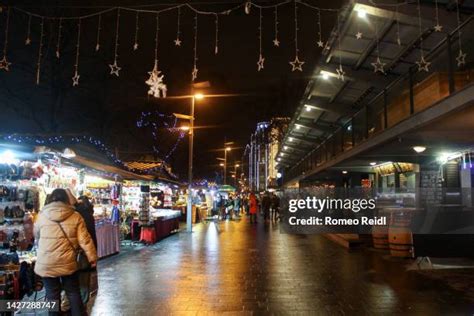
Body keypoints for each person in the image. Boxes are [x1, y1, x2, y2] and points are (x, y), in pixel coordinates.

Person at [34, 189, 97, 316]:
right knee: (73, 292)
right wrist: (92, 258)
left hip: (47, 262)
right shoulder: (75, 216)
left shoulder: (41, 216)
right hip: (67, 262)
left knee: (52, 294)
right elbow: (85, 240)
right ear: (67, 200)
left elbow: (36, 236)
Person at [75, 196, 98, 305]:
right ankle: (80, 308)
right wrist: (93, 257)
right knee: (82, 284)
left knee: (60, 290)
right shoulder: (86, 215)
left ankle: (60, 310)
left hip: (53, 260)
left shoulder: (45, 216)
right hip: (81, 255)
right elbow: (88, 239)